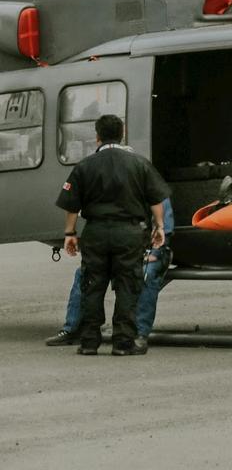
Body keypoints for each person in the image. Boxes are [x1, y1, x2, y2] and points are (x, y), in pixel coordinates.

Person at [55, 114, 170, 356]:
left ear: (97, 136)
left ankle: (89, 343)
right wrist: (159, 227)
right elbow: (156, 200)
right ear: (123, 133)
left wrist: (70, 234)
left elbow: (72, 205)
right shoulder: (139, 164)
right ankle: (123, 343)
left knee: (92, 284)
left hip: (95, 231)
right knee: (128, 285)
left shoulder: (85, 166)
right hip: (129, 233)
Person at [44, 199, 174, 347]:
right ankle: (71, 329)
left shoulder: (153, 191)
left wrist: (154, 253)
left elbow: (165, 231)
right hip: (118, 249)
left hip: (149, 251)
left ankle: (140, 333)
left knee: (146, 273)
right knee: (84, 272)